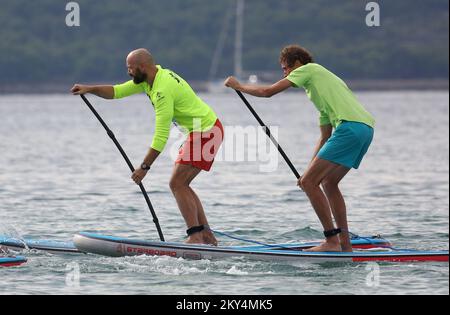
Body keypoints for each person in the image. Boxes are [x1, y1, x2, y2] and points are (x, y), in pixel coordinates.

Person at [224, 45, 375, 252]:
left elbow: (268, 92)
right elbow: (324, 137)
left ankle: (331, 241)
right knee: (328, 183)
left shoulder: (308, 69)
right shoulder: (319, 89)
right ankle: (344, 246)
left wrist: (238, 86)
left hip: (349, 128)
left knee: (310, 183)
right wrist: (308, 172)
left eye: (285, 69)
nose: (284, 74)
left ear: (297, 63)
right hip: (365, 129)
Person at [71, 48, 223, 245]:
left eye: (131, 68)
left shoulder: (161, 90)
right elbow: (117, 91)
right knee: (182, 184)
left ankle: (196, 236)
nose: (129, 72)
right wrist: (90, 89)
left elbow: (160, 136)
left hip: (205, 131)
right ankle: (206, 235)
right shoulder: (150, 79)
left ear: (142, 67)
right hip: (203, 130)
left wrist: (143, 168)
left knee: (177, 184)